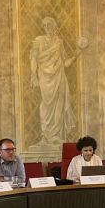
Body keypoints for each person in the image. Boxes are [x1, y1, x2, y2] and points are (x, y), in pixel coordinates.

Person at [30, 16, 79, 145]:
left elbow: (64, 62)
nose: (47, 27)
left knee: (59, 105)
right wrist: (34, 76)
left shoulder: (59, 42)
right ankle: (45, 135)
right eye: (45, 25)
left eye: (49, 24)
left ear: (54, 26)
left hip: (59, 76)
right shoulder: (39, 41)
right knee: (46, 104)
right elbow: (33, 58)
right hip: (44, 76)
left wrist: (74, 57)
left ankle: (55, 136)